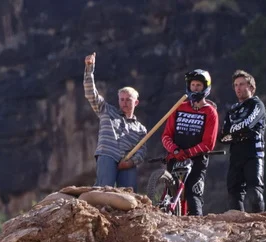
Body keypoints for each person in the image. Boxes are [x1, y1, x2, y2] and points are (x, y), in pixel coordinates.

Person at [159, 69, 220, 214]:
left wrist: (188, 153)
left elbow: (208, 143)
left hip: (197, 160)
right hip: (175, 157)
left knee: (194, 195)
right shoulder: (179, 107)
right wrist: (175, 150)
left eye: (198, 85)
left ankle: (196, 228)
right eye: (193, 85)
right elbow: (166, 136)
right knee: (168, 196)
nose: (195, 88)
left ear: (205, 87)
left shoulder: (210, 112)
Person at [83, 53, 147, 188]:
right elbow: (91, 94)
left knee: (129, 194)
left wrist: (130, 162)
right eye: (122, 99)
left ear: (136, 103)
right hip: (107, 154)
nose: (124, 103)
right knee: (104, 189)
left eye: (128, 100)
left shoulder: (140, 129)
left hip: (127, 161)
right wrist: (89, 69)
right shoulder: (106, 110)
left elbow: (142, 151)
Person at [221, 70, 266, 212]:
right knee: (233, 192)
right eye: (235, 85)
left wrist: (233, 133)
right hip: (236, 155)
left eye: (241, 84)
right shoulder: (232, 110)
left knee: (254, 191)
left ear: (251, 87)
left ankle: (260, 223)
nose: (238, 88)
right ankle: (238, 225)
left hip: (253, 153)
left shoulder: (257, 104)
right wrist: (237, 133)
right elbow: (223, 135)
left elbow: (248, 123)